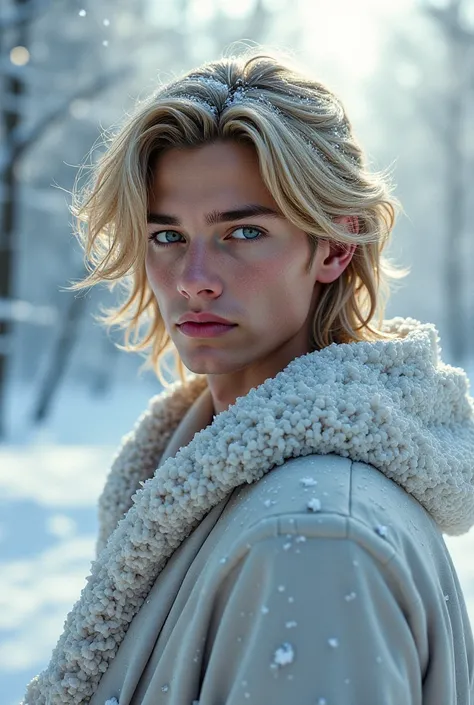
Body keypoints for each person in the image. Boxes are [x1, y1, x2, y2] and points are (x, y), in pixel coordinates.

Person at [22, 48, 474, 705]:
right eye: (168, 236)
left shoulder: (311, 538)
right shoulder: (204, 476)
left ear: (336, 245)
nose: (193, 278)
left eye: (243, 232)